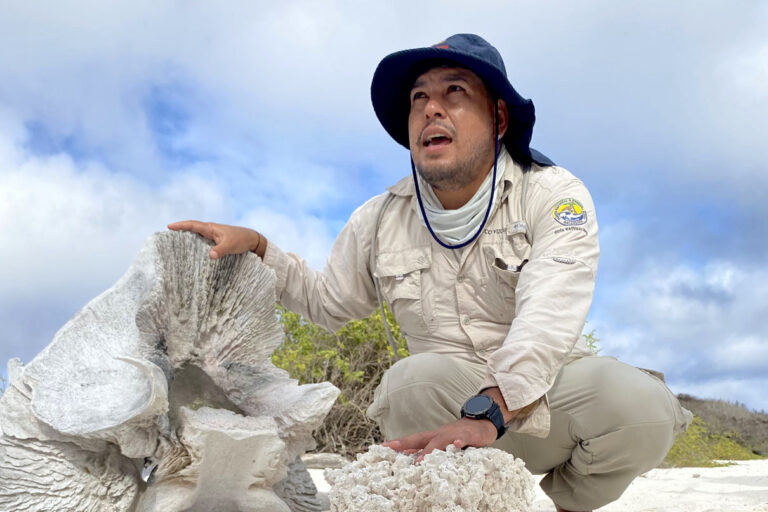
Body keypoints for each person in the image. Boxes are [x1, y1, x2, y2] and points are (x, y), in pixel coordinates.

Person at [169, 33, 691, 512]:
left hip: (545, 399)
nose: (431, 108)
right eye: (418, 98)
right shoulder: (377, 219)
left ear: (500, 118)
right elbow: (329, 304)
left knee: (640, 406)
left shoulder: (554, 193)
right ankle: (453, 498)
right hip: (447, 412)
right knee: (410, 380)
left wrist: (493, 409)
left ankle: (565, 505)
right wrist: (259, 248)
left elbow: (551, 310)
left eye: (455, 91)